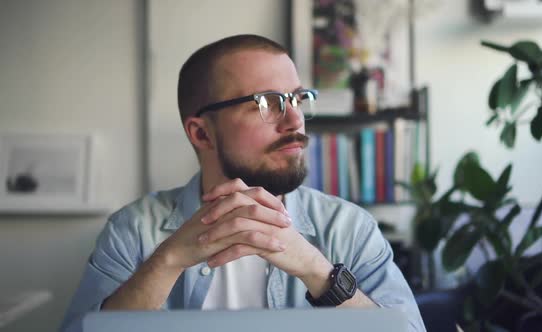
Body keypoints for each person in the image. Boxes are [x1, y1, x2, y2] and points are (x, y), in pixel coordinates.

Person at [60, 34, 426, 332]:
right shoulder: (134, 232)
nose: (295, 121)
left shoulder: (348, 228)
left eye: (297, 99)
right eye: (267, 103)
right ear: (202, 134)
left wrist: (317, 270)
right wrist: (167, 261)